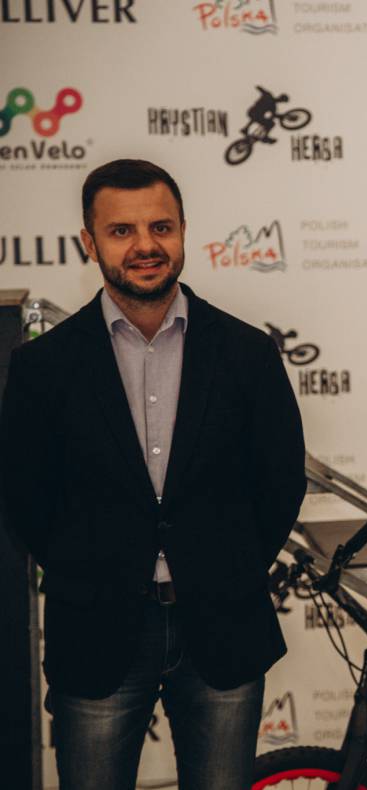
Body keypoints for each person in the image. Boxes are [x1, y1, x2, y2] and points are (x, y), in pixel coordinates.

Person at [0, 159, 306, 788]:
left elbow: (280, 481)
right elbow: (24, 498)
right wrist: (90, 569)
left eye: (161, 227)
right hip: (97, 630)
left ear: (184, 231)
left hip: (222, 629)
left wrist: (227, 566)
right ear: (89, 242)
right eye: (121, 231)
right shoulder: (42, 368)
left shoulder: (246, 353)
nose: (145, 246)